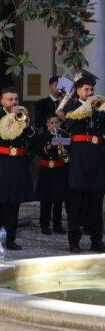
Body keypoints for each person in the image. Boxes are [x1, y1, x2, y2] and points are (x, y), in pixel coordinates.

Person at [0, 87, 35, 250]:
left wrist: (27, 125)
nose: (14, 102)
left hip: (17, 164)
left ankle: (10, 238)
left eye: (16, 99)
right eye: (10, 99)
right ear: (3, 101)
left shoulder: (23, 115)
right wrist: (11, 118)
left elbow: (32, 137)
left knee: (13, 203)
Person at [62, 70, 105, 253]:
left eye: (92, 89)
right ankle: (74, 241)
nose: (90, 93)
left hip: (96, 159)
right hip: (79, 159)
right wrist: (86, 106)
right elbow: (70, 124)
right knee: (76, 204)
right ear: (78, 90)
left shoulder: (99, 107)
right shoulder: (71, 107)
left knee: (96, 203)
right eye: (87, 89)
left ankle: (97, 240)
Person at [35, 113, 69, 235]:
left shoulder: (64, 134)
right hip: (47, 170)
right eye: (52, 123)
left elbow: (69, 151)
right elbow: (38, 151)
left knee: (58, 199)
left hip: (60, 170)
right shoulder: (43, 135)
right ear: (47, 124)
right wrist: (48, 147)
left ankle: (57, 225)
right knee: (46, 199)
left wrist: (65, 148)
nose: (55, 125)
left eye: (57, 122)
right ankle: (44, 225)